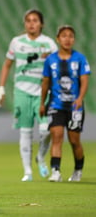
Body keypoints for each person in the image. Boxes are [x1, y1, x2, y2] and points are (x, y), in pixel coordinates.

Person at [0, 9, 58, 181]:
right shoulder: (17, 42)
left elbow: (57, 67)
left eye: (35, 20)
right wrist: (1, 88)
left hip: (43, 92)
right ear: (25, 23)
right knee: (25, 131)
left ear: (41, 24)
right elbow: (7, 64)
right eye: (28, 20)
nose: (31, 23)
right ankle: (28, 172)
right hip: (22, 91)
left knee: (46, 131)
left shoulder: (49, 44)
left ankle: (40, 157)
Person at [39, 25, 91, 182]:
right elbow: (45, 83)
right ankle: (56, 171)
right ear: (58, 39)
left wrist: (80, 97)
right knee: (57, 136)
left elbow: (84, 81)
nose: (67, 39)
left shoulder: (80, 59)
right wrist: (42, 103)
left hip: (75, 106)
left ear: (74, 39)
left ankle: (78, 170)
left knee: (74, 141)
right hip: (56, 105)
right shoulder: (51, 60)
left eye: (70, 36)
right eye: (64, 36)